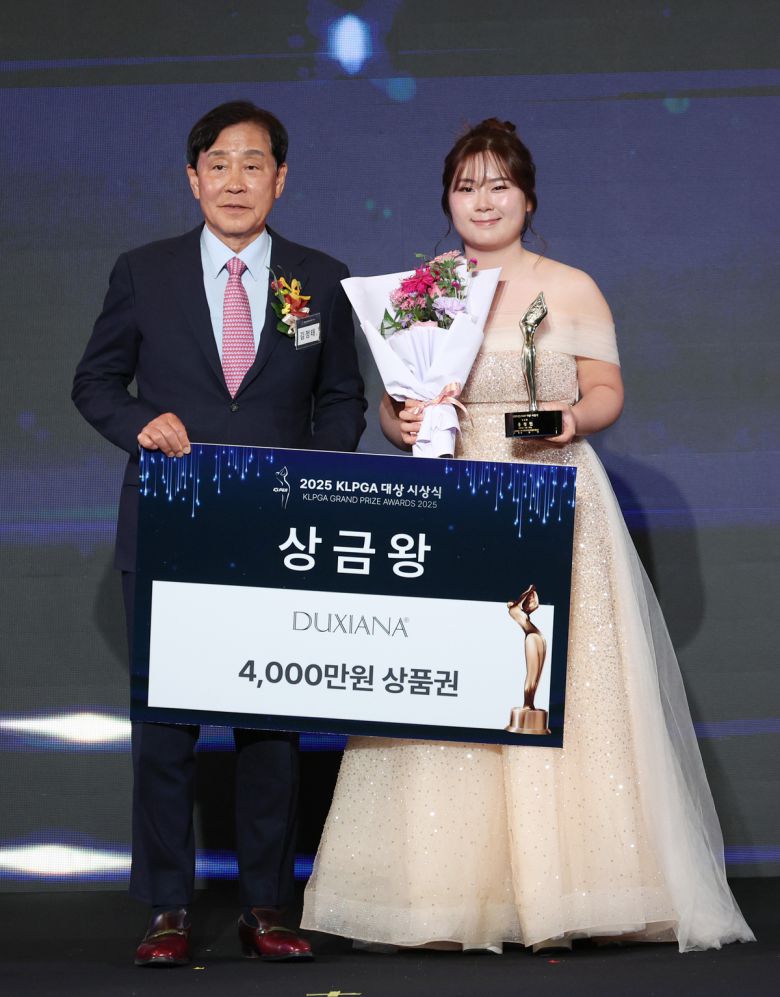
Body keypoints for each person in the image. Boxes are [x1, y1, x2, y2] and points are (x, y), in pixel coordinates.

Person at [301, 118, 753, 953]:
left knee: (554, 681)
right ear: (447, 199)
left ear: (528, 198)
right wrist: (403, 426)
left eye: (498, 185)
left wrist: (569, 419)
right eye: (466, 186)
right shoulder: (425, 289)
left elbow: (607, 388)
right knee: (452, 681)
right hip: (456, 498)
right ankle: (449, 897)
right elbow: (398, 403)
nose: (483, 200)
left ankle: (570, 893)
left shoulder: (570, 286)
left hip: (553, 495)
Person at [72, 100, 366, 966]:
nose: (237, 180)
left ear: (282, 179)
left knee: (271, 723)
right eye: (220, 164)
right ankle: (167, 908)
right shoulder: (144, 271)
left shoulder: (320, 277)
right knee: (165, 723)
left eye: (254, 164)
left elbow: (341, 398)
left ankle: (265, 904)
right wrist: (139, 423)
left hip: (278, 526)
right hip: (172, 521)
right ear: (193, 178)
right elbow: (95, 382)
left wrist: (310, 476)